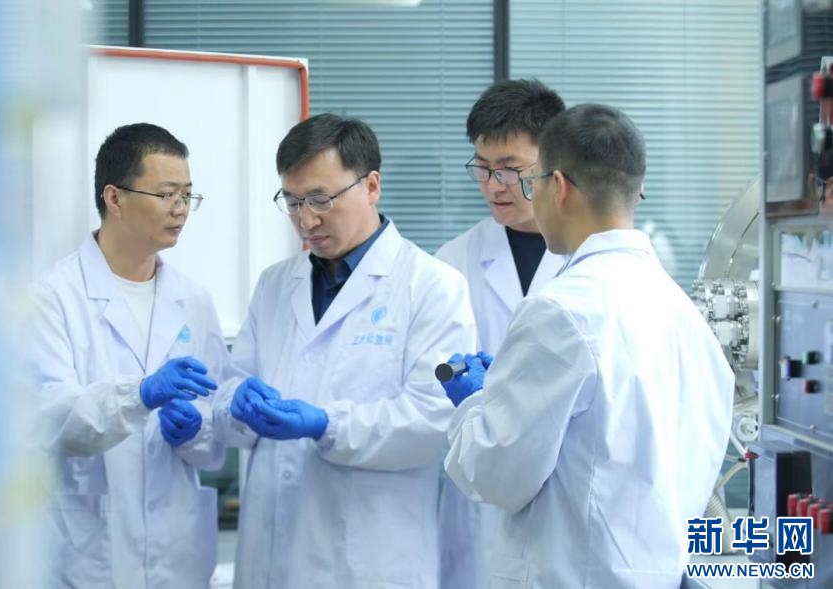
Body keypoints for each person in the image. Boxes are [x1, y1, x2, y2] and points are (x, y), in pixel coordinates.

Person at [443, 104, 734, 588]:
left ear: (557, 186)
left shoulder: (561, 310)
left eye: (530, 181)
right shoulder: (684, 313)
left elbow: (498, 474)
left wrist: (476, 404)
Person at [215, 113, 476, 588]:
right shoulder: (275, 284)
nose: (306, 220)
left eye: (320, 199)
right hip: (271, 559)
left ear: (371, 186)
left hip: (369, 562)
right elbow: (233, 383)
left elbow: (430, 419)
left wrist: (326, 424)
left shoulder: (432, 286)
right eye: (292, 202)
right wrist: (235, 402)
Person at [29, 123, 228, 587]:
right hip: (88, 557)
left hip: (176, 560)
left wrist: (198, 431)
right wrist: (139, 394)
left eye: (188, 195)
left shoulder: (194, 301)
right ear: (114, 198)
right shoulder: (52, 298)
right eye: (166, 194)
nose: (180, 209)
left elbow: (213, 434)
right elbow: (50, 418)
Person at [434, 78, 567, 589]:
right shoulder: (453, 262)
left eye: (510, 169)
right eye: (483, 168)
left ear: (553, 162)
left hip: (565, 494)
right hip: (480, 498)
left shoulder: (593, 260)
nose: (493, 185)